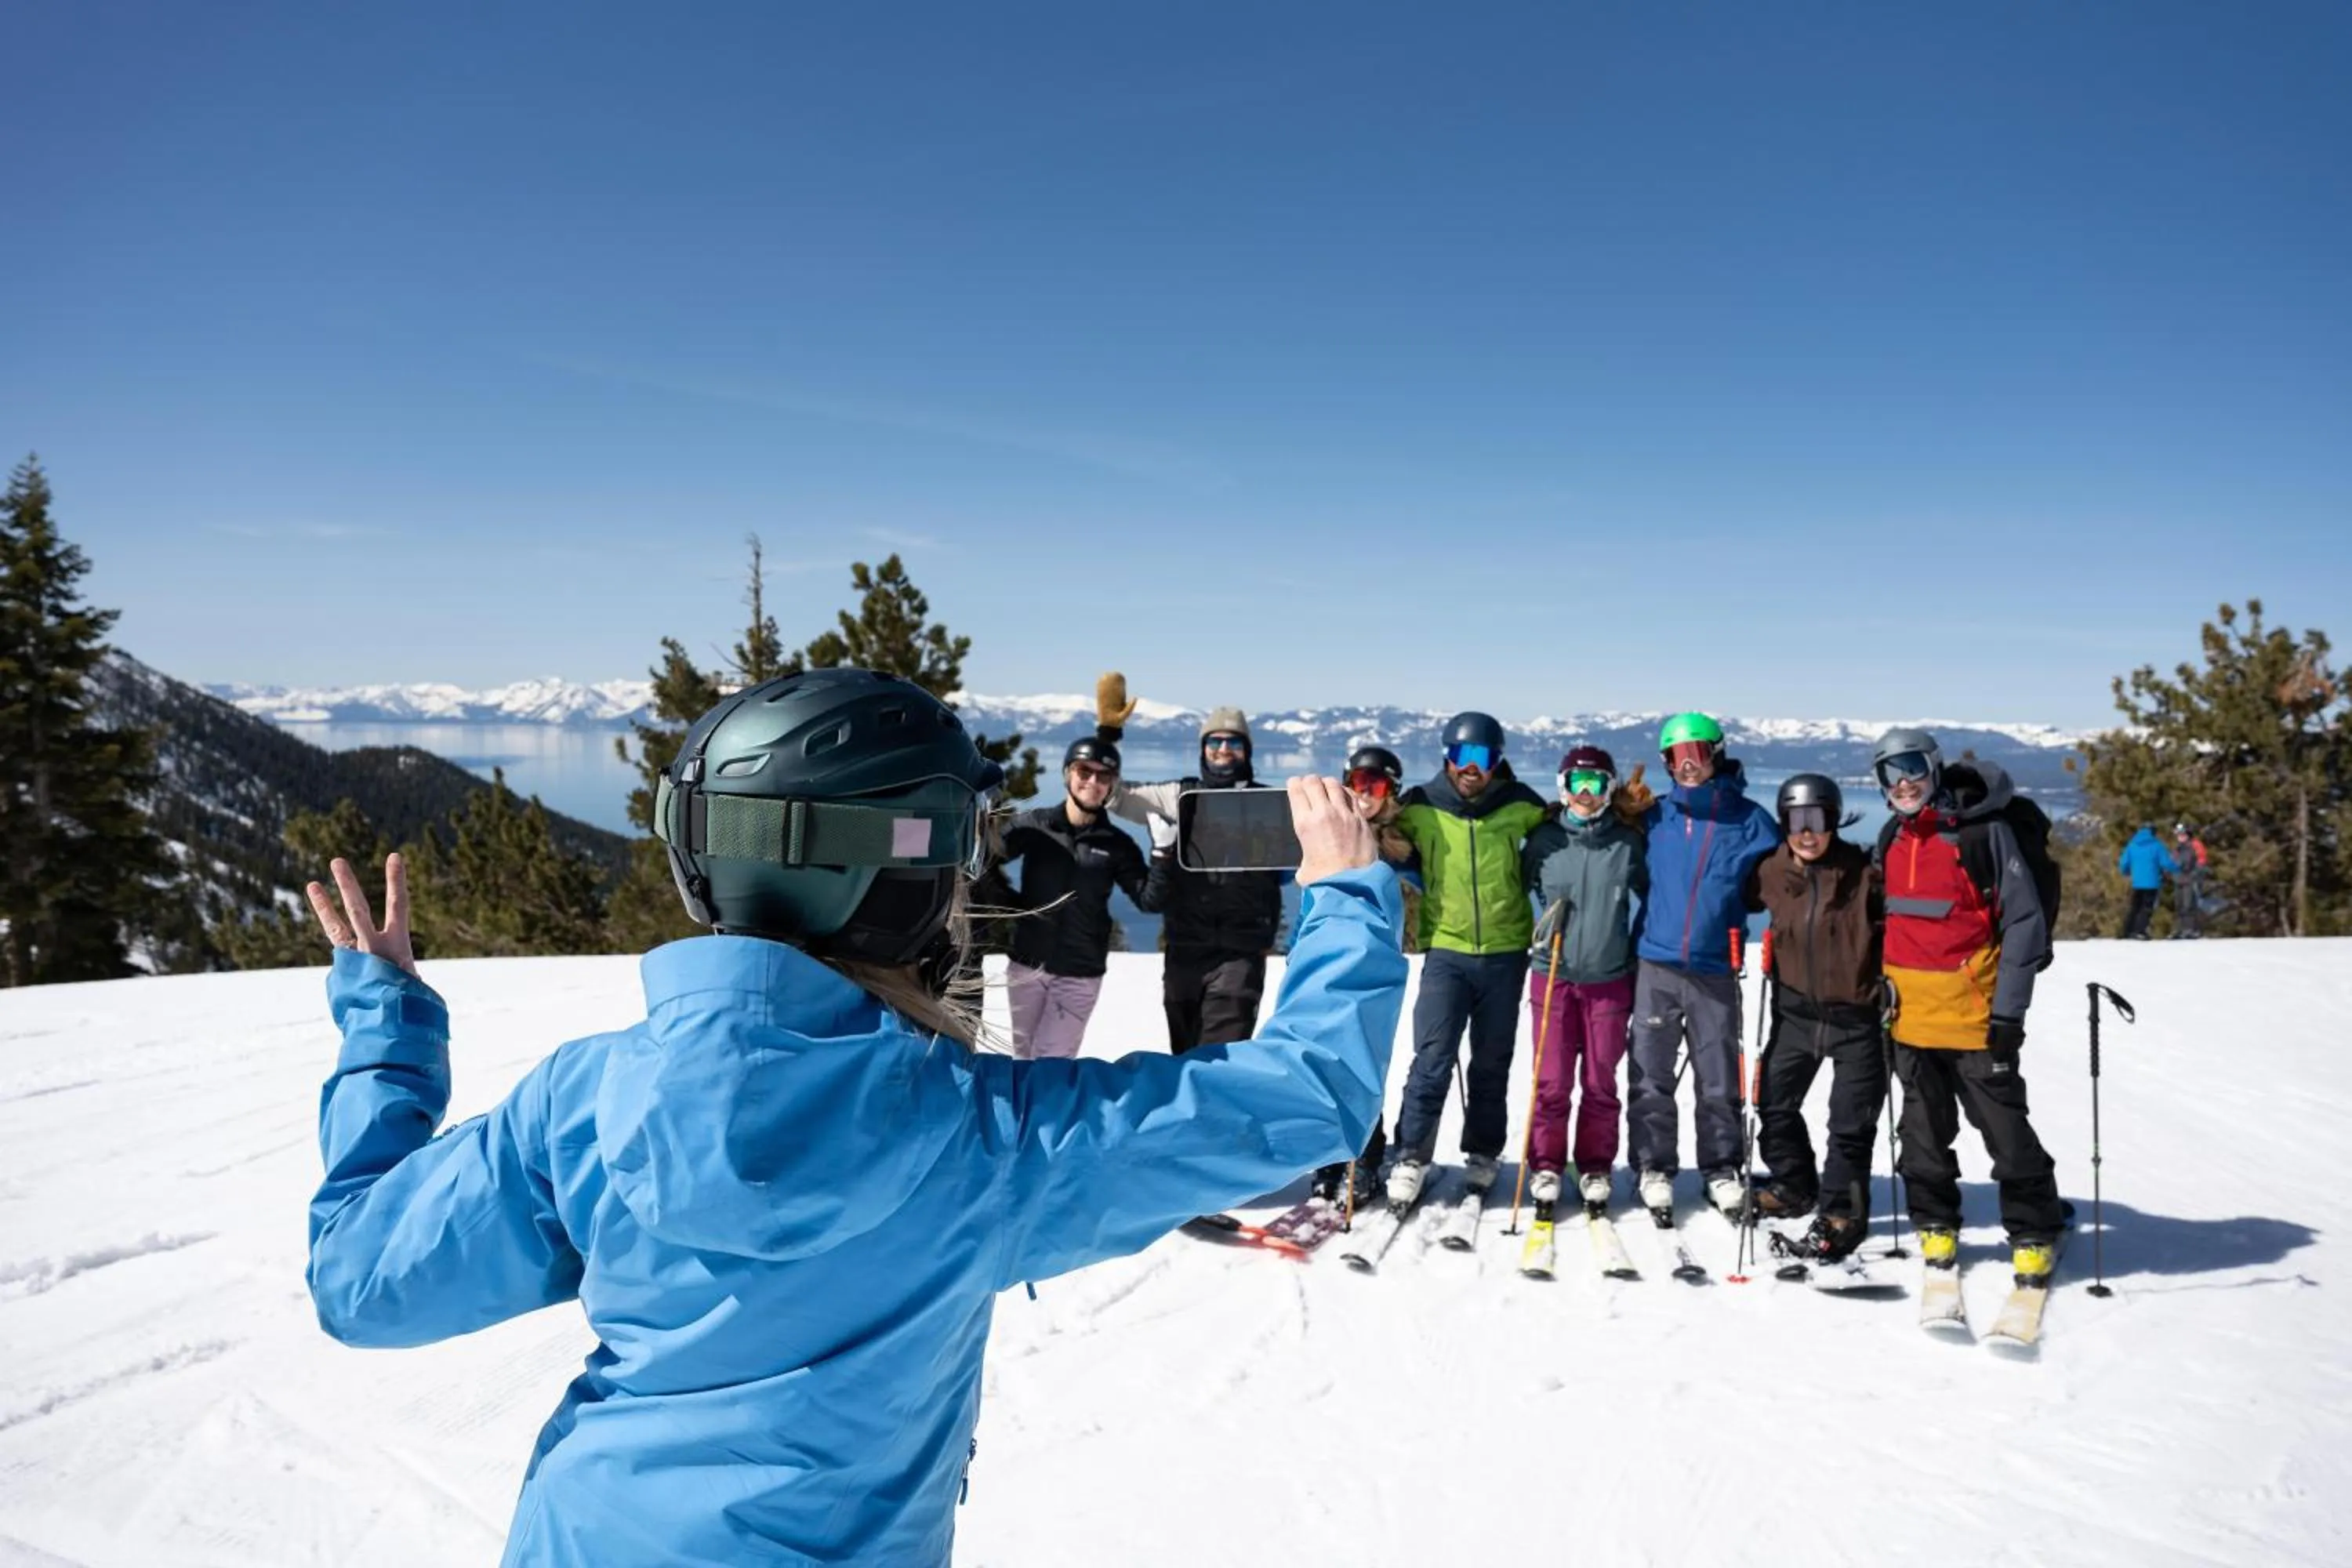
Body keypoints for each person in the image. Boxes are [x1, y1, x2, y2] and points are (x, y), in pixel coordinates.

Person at [300, 668, 1406, 1567]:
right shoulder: (987, 1143)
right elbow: (1309, 1093)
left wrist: (385, 1025)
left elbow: (362, 1280)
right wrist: (1348, 892)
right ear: (901, 877)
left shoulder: (581, 1102)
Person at [1871, 725, 2065, 1287]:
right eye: (1890, 772)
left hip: (1976, 1020)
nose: (1903, 782)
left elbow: (2024, 923)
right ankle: (1935, 1222)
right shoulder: (1892, 836)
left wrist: (2009, 1014)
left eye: (1912, 767)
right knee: (1922, 1135)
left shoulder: (1983, 835)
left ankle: (2033, 1230)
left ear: (1934, 767)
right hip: (1910, 1021)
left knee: (2005, 1132)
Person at [1382, 713, 1551, 1206]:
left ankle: (1483, 1152)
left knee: (1491, 1063)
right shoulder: (1420, 806)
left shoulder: (1522, 805)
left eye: (1482, 757)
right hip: (1447, 951)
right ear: (1447, 757)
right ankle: (1411, 1155)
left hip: (1505, 953)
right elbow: (1380, 833)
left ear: (1497, 761)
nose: (1471, 767)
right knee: (1432, 1059)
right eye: (1462, 755)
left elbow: (1564, 837)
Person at [1624, 712, 1780, 1218]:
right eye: (1676, 757)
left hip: (1715, 966)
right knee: (1650, 1074)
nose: (1687, 765)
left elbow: (1787, 879)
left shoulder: (1751, 821)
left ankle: (1721, 1167)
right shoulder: (1654, 816)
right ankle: (1653, 1166)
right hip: (1656, 963)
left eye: (1696, 753)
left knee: (1718, 1078)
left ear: (1717, 754)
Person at [1743, 772, 1885, 1261]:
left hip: (1858, 1018)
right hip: (1796, 1013)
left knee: (1850, 1124)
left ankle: (1843, 1211)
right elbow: (1729, 892)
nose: (1807, 832)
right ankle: (1794, 1185)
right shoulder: (1770, 870)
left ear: (1834, 820)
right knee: (1774, 1103)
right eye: (1796, 820)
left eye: (1818, 820)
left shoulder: (1865, 872)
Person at [1105, 691, 1287, 1053]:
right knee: (1184, 1053)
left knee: (1220, 1058)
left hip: (1242, 951)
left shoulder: (1268, 804)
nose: (1223, 749)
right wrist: (1107, 739)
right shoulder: (1179, 795)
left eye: (1234, 741)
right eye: (1214, 741)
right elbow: (1116, 797)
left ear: (1247, 750)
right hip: (1185, 948)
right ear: (1203, 748)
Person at [1518, 745, 1648, 1210]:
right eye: (1578, 783)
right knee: (1552, 1081)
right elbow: (1518, 890)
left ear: (1610, 788)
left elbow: (1653, 898)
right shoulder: (1544, 841)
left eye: (1596, 783)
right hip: (1553, 975)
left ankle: (1595, 1166)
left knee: (1599, 1081)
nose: (1586, 793)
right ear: (1563, 787)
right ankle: (1546, 1165)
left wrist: (1635, 949)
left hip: (1608, 980)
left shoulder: (1627, 843)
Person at [979, 732, 1163, 1058]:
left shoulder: (1117, 844)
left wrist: (1164, 851)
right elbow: (984, 861)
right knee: (1023, 1058)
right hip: (1026, 966)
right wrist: (1011, 905)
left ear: (1113, 784)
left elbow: (1149, 900)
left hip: (1079, 971)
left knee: (1052, 1061)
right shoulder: (1036, 826)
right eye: (1084, 771)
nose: (1093, 782)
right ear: (1067, 773)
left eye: (1104, 776)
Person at [1312, 744, 1414, 1206]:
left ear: (1391, 791)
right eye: (1358, 782)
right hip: (1326, 961)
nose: (1366, 793)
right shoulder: (1325, 834)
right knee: (1323, 1062)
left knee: (1365, 1064)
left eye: (1377, 784)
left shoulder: (1399, 846)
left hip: (1373, 966)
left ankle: (1366, 1158)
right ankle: (1328, 1157)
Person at [2117, 822, 2177, 940]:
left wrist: (2126, 872)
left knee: (2135, 907)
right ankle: (2140, 931)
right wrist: (2177, 869)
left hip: (2137, 882)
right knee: (2146, 908)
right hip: (2152, 882)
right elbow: (2166, 863)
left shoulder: (2132, 845)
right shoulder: (2157, 845)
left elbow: (2124, 863)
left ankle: (2127, 930)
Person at [2170, 822, 2209, 939]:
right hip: (2178, 879)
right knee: (2179, 905)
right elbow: (2172, 861)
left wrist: (2195, 873)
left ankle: (2191, 929)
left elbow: (2202, 859)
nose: (2180, 837)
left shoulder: (2195, 845)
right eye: (2178, 835)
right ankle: (2180, 928)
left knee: (2189, 904)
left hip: (2190, 879)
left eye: (2183, 835)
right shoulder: (2177, 848)